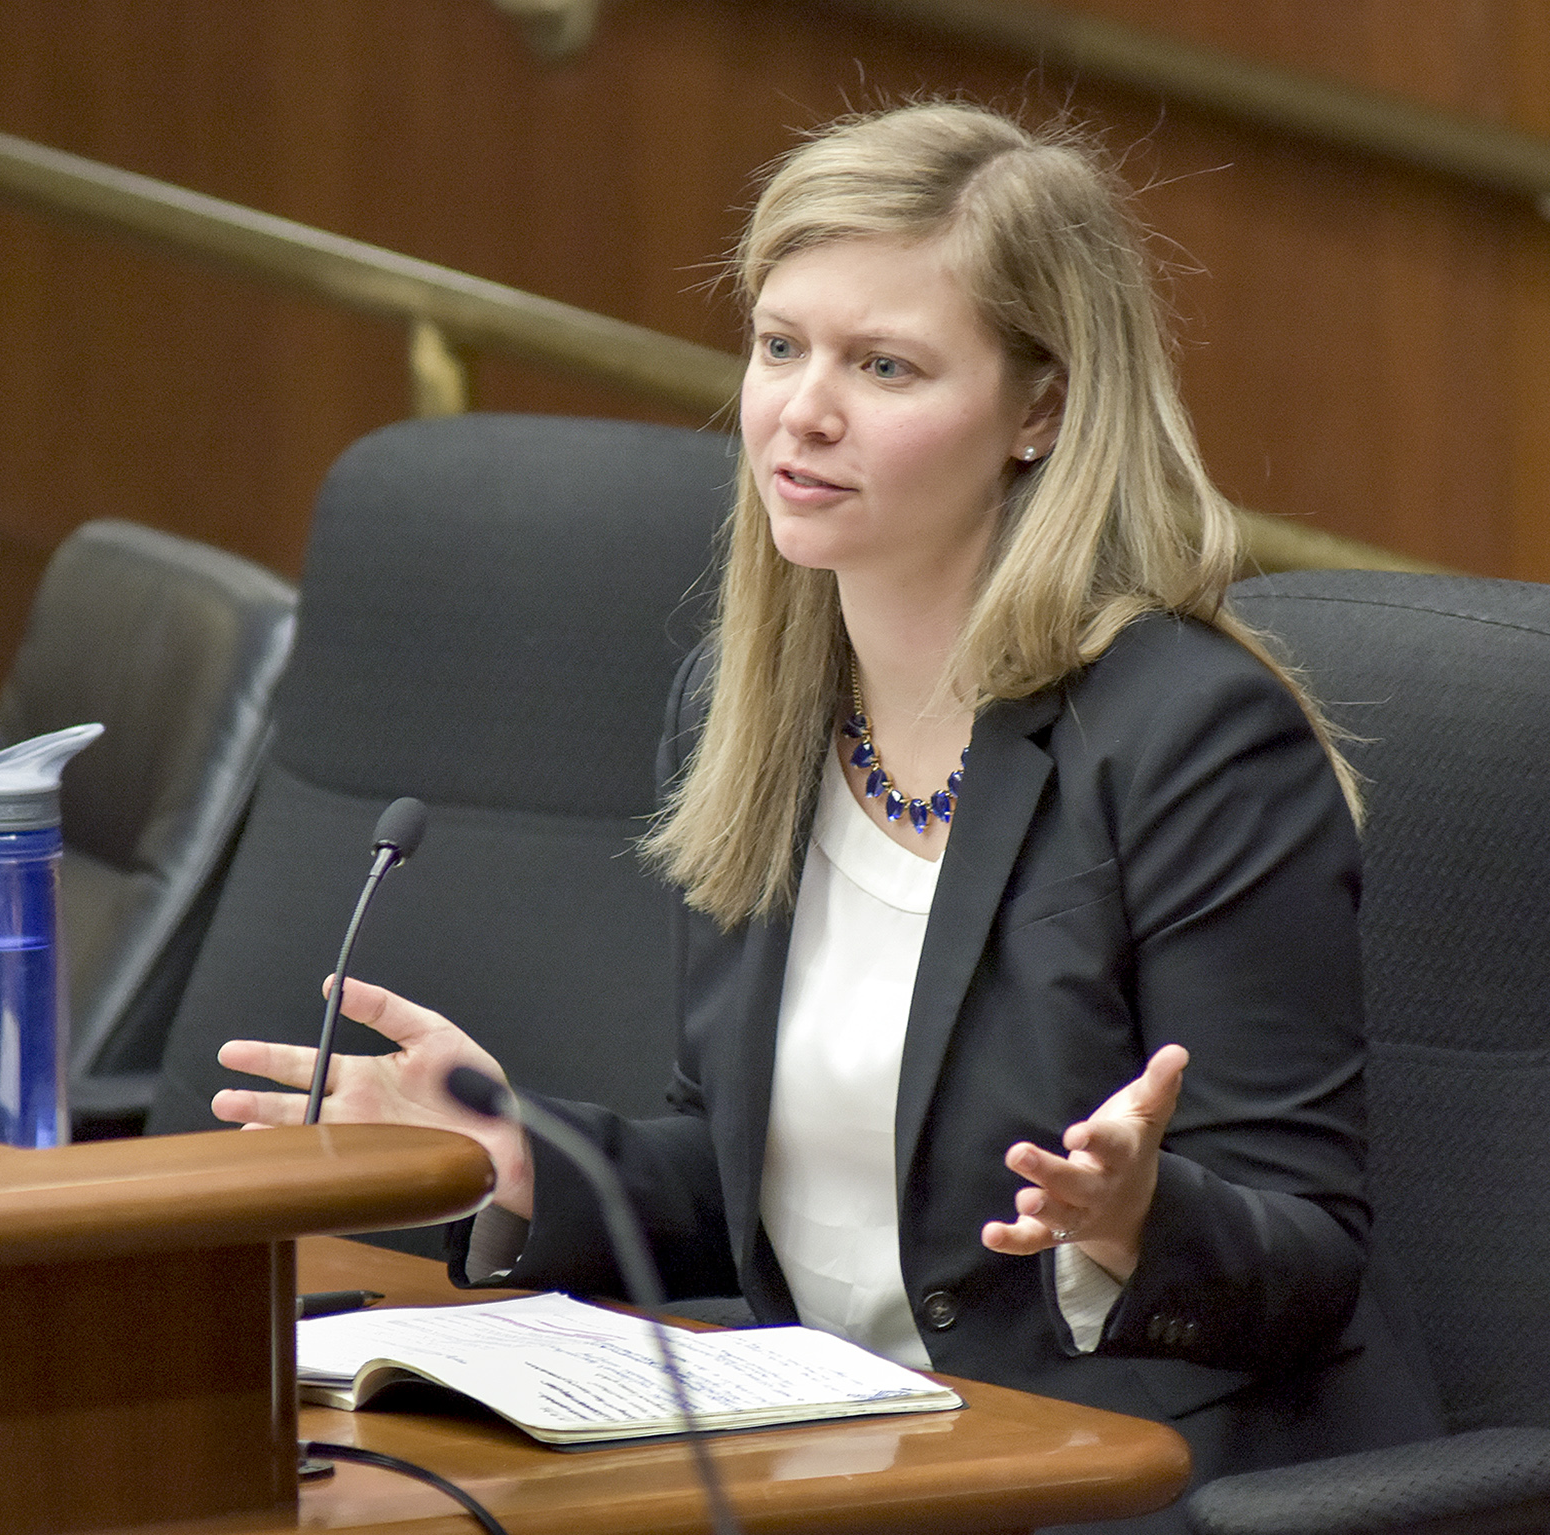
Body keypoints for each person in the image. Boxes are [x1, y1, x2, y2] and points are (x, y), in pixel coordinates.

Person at [215, 102, 1444, 1528]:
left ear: (1041, 410)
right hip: (840, 1462)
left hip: (1126, 1481)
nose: (803, 409)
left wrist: (1134, 1221)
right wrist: (524, 1158)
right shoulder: (750, 707)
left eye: (885, 365)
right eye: (780, 344)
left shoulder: (1189, 739)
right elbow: (766, 1181)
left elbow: (1305, 1257)